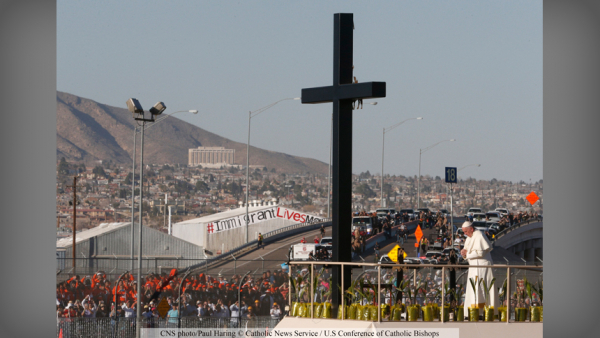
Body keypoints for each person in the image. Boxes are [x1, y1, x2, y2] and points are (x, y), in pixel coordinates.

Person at [460, 221, 498, 318]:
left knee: (482, 289)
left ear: (471, 229)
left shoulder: (479, 235)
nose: (465, 234)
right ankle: (472, 312)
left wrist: (467, 254)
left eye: (466, 231)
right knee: (473, 290)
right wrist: (464, 253)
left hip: (483, 268)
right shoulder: (469, 237)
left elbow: (480, 253)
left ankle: (483, 312)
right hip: (474, 268)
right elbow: (467, 251)